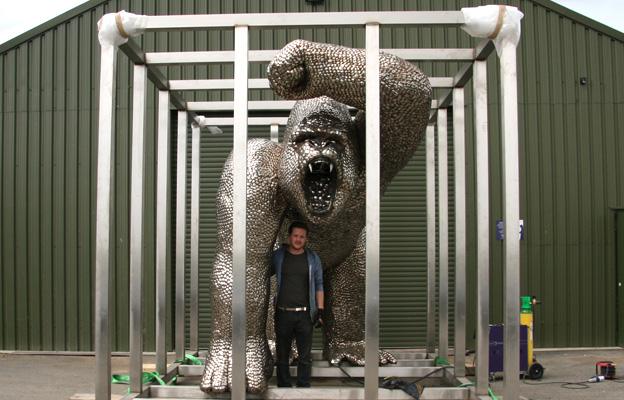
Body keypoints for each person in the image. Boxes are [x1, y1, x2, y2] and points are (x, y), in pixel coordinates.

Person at [271, 221, 324, 388]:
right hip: (283, 313)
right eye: (295, 235)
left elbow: (319, 284)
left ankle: (303, 387)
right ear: (289, 237)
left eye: (302, 236)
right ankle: (284, 387)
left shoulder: (312, 258)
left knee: (305, 356)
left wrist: (320, 310)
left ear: (306, 239)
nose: (298, 239)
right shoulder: (279, 256)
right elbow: (262, 272)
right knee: (282, 355)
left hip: (305, 314)